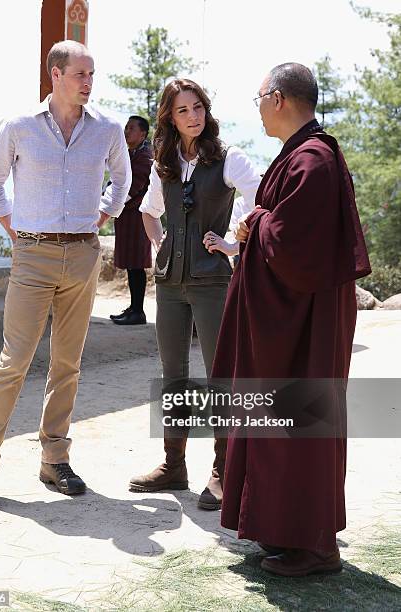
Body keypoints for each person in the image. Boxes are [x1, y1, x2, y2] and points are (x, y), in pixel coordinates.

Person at [212, 63, 371, 575]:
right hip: (294, 316)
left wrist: (255, 222)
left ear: (278, 98)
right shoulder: (302, 155)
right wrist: (261, 223)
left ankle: (315, 545)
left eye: (259, 97)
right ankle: (286, 532)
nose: (256, 107)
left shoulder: (314, 161)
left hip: (306, 324)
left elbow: (294, 246)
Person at [0, 40, 131, 512]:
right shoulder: (19, 126)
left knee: (68, 364)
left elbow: (123, 180)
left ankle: (54, 460)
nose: (88, 82)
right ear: (55, 74)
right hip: (32, 255)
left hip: (83, 255)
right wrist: (14, 232)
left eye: (92, 74)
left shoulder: (107, 129)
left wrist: (103, 214)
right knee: (14, 361)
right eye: (80, 73)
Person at [129, 78, 260, 510]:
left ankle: (223, 469)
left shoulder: (227, 157)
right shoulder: (163, 162)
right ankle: (173, 465)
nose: (194, 116)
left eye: (199, 106)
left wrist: (232, 242)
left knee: (220, 376)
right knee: (174, 375)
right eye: (183, 110)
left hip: (212, 283)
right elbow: (149, 211)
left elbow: (260, 196)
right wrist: (159, 241)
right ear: (170, 116)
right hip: (169, 284)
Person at [109, 116, 153, 325]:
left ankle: (138, 311)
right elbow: (117, 179)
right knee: (131, 264)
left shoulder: (145, 156)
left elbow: (134, 184)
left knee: (136, 264)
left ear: (142, 134)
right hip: (126, 216)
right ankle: (134, 307)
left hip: (138, 217)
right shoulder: (129, 153)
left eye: (131, 128)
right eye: (125, 128)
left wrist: (110, 204)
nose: (126, 132)